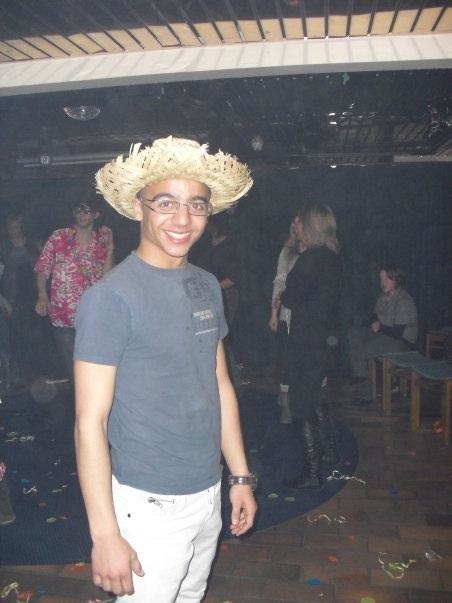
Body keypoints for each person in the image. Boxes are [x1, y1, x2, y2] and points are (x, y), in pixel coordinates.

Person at [73, 136, 257, 602]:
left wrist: (239, 476)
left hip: (207, 490)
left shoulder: (206, 285)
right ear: (139, 207)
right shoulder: (110, 298)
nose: (182, 219)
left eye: (196, 205)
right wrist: (105, 534)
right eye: (166, 203)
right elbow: (89, 421)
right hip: (148, 503)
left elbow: (219, 384)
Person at [280, 203, 342, 489]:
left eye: (301, 223)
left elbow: (291, 297)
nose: (298, 227)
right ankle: (329, 450)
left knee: (301, 403)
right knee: (314, 397)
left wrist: (285, 294)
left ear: (310, 226)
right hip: (324, 340)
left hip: (307, 341)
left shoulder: (311, 259)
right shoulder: (332, 257)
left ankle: (313, 472)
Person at [34, 200, 114, 383]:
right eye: (78, 211)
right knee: (72, 367)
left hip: (92, 314)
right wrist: (42, 295)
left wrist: (110, 249)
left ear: (96, 215)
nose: (81, 215)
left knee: (93, 364)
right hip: (63, 314)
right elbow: (43, 267)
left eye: (86, 211)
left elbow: (108, 278)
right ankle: (79, 396)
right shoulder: (59, 236)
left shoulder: (100, 242)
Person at [348, 263, 418, 405]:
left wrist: (379, 327)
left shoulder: (404, 301)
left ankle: (366, 393)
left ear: (396, 279)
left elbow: (397, 333)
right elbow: (375, 315)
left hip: (401, 342)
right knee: (354, 332)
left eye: (387, 278)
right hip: (385, 335)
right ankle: (362, 372)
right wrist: (373, 322)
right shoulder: (383, 296)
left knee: (357, 353)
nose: (383, 282)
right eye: (381, 278)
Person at [1, 213, 43, 385]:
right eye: (11, 225)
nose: (14, 229)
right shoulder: (4, 248)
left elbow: (43, 268)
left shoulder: (33, 244)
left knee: (37, 336)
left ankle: (38, 375)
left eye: (16, 225)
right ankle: (21, 376)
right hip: (13, 299)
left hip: (35, 296)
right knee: (18, 337)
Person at [268, 219, 302, 424]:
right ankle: (287, 405)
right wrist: (274, 314)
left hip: (309, 316)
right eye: (294, 223)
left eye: (300, 222)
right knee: (286, 359)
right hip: (288, 314)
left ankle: (305, 404)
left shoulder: (316, 253)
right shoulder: (287, 252)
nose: (296, 226)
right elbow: (279, 283)